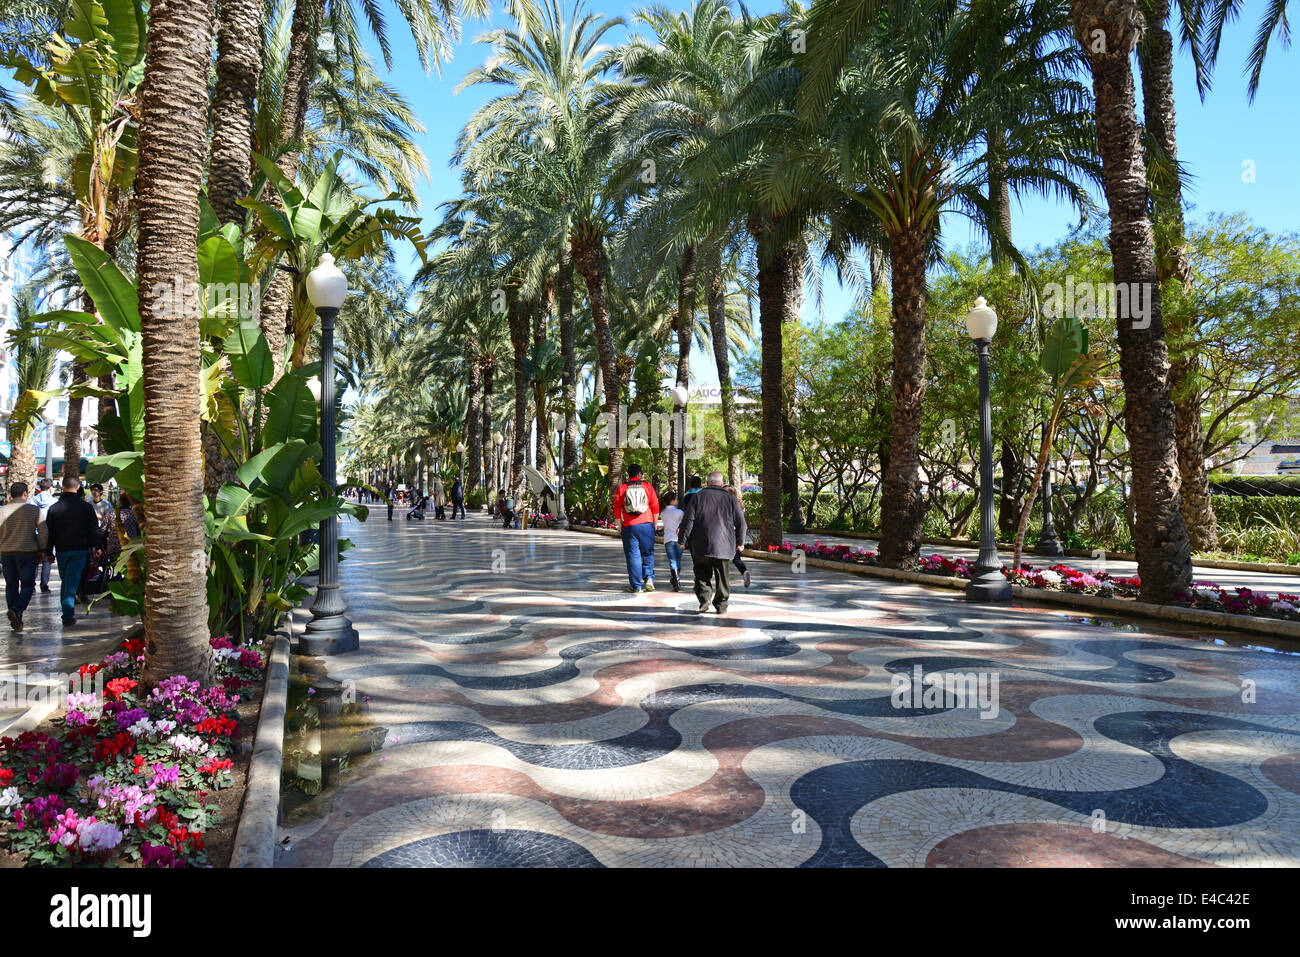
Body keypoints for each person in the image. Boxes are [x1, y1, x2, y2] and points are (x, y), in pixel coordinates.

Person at [678, 471, 747, 615]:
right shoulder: (730, 499)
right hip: (724, 545)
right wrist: (740, 542)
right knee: (722, 576)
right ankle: (721, 605)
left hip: (701, 544)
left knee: (701, 573)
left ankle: (704, 600)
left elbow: (688, 520)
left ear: (707, 483)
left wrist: (682, 540)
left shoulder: (698, 497)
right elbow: (742, 524)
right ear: (721, 484)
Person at [46, 475, 99, 626]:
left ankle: (67, 613)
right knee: (70, 582)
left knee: (67, 581)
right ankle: (68, 616)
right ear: (77, 488)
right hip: (79, 550)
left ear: (62, 487)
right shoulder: (86, 507)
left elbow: (50, 533)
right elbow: (93, 530)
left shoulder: (54, 508)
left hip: (62, 551)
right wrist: (96, 548)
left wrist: (49, 552)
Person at [0, 482, 47, 631]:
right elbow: (43, 531)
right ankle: (17, 609)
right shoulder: (33, 510)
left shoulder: (2, 511)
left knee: (11, 585)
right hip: (27, 553)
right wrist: (42, 549)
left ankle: (17, 618)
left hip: (6, 553)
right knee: (27, 585)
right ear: (25, 494)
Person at [614, 464, 659, 593]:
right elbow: (655, 506)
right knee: (648, 552)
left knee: (633, 555)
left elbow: (617, 509)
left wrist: (620, 525)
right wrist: (654, 523)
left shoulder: (622, 488)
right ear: (640, 474)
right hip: (647, 524)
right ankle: (649, 579)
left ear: (629, 474)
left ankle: (636, 586)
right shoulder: (647, 486)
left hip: (629, 526)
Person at [725, 486, 753, 589]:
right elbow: (742, 525)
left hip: (727, 536)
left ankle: (724, 581)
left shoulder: (726, 506)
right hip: (737, 536)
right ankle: (744, 571)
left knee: (722, 560)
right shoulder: (739, 506)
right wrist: (741, 542)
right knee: (737, 559)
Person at [32, 478, 55, 592]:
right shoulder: (54, 501)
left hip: (34, 534)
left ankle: (32, 585)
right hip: (49, 534)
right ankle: (44, 585)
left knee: (34, 560)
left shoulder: (32, 501)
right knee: (47, 560)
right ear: (50, 488)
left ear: (39, 488)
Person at [660, 491, 686, 592]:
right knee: (678, 560)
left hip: (668, 539)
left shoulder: (663, 513)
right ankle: (676, 580)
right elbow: (684, 523)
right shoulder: (680, 512)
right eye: (676, 499)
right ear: (672, 501)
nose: (677, 501)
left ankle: (676, 581)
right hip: (679, 539)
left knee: (672, 560)